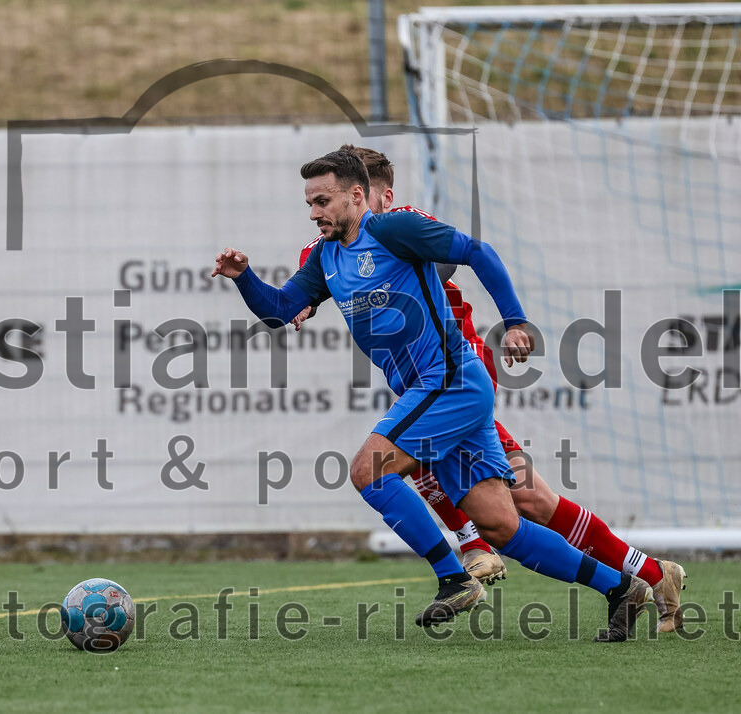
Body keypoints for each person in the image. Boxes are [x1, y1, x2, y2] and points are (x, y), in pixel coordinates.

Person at [212, 149, 652, 641]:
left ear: (357, 196)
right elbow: (279, 311)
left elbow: (477, 253)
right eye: (310, 204)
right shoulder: (324, 257)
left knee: (368, 471)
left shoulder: (394, 229)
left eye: (323, 201)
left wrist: (514, 320)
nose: (315, 213)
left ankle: (452, 578)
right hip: (440, 391)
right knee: (501, 527)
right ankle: (622, 589)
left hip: (448, 381)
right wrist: (244, 278)